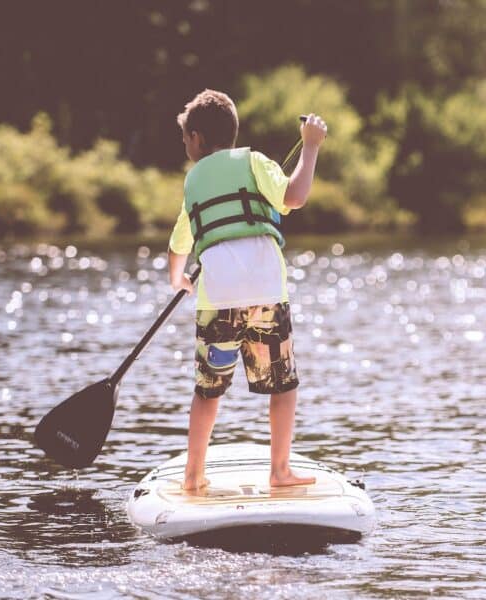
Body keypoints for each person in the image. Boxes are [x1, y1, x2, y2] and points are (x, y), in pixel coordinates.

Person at [167, 89, 326, 491]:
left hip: (217, 298)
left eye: (186, 137)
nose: (185, 144)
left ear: (198, 138)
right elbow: (296, 195)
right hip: (266, 294)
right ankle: (280, 471)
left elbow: (179, 244)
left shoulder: (193, 180)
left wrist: (178, 279)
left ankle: (193, 475)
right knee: (283, 385)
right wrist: (310, 148)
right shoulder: (255, 162)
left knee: (208, 391)